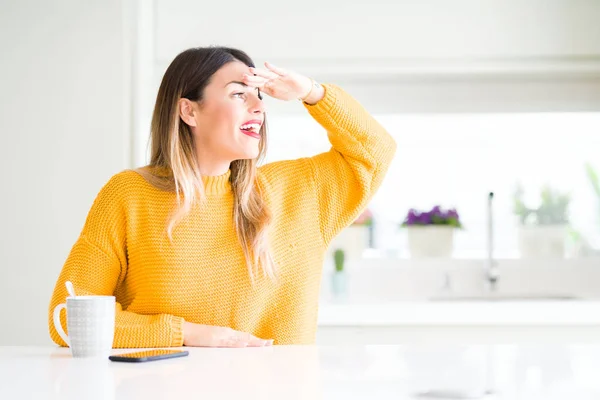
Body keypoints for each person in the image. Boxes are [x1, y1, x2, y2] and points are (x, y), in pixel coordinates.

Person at [48, 46, 397, 348]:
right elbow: (67, 316)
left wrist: (312, 92)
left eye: (259, 96)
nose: (258, 107)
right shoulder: (129, 195)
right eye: (238, 94)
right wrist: (185, 333)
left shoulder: (299, 191)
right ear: (189, 111)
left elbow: (376, 151)